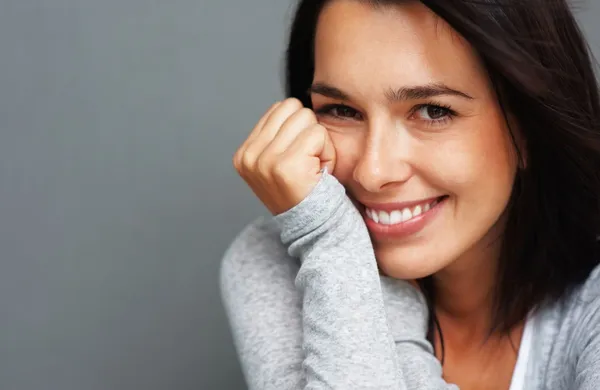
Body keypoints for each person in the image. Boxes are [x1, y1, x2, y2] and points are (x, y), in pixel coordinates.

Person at [220, 0, 600, 388]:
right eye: (341, 110)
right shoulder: (282, 257)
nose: (373, 172)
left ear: (528, 129)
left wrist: (333, 246)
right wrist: (333, 246)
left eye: (433, 111)